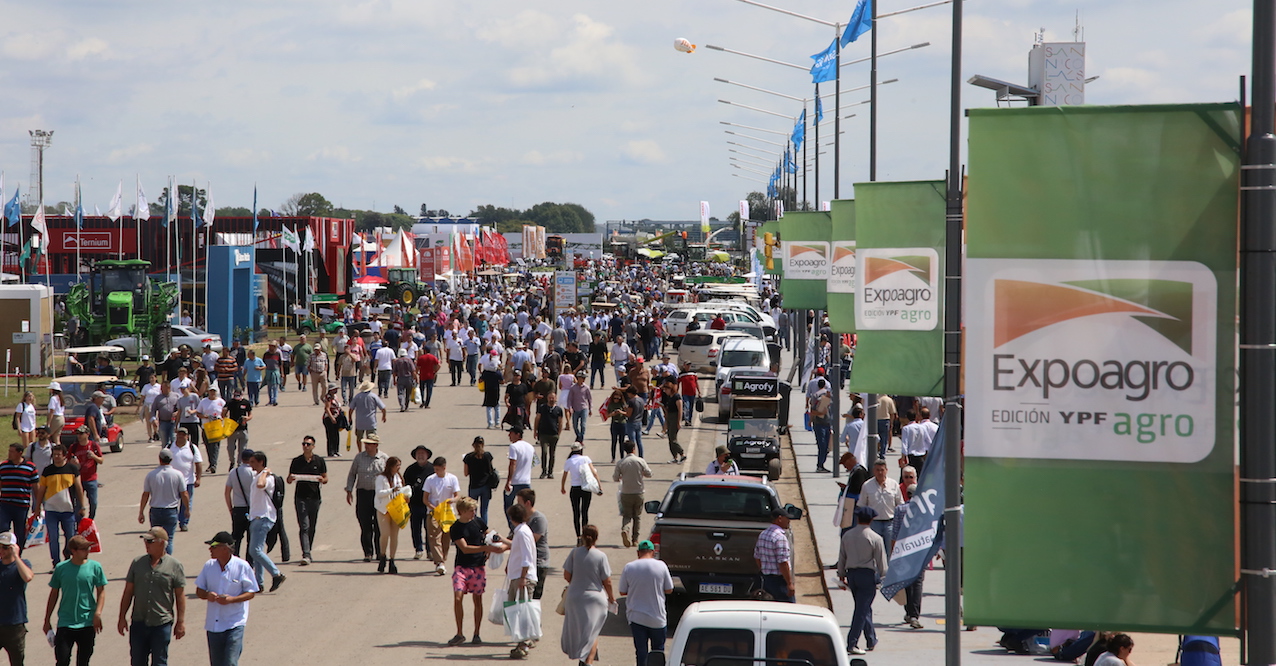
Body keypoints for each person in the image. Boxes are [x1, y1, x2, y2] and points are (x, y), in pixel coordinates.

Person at [117, 527, 186, 666]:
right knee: (137, 661)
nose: (146, 544)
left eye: (150, 541)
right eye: (145, 541)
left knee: (159, 662)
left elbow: (179, 596)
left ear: (162, 543)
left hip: (161, 623)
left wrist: (180, 622)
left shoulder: (174, 565)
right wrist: (121, 617)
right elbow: (128, 592)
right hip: (139, 623)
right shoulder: (137, 563)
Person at [446, 496, 504, 647]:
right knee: (458, 598)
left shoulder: (478, 522)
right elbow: (464, 548)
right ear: (462, 511)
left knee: (477, 600)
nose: (474, 513)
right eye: (471, 510)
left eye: (474, 510)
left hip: (478, 567)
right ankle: (459, 633)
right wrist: (486, 548)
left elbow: (489, 533)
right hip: (461, 567)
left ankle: (476, 633)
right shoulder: (456, 528)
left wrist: (492, 541)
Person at [194, 531, 259, 666]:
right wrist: (207, 595)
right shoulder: (209, 566)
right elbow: (199, 590)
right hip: (214, 626)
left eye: (214, 546)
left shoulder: (242, 566)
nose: (210, 549)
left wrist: (231, 600)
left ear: (225, 548)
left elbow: (251, 592)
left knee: (230, 663)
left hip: (234, 623)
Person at [43, 535, 107, 666]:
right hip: (65, 622)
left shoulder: (95, 567)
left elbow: (101, 592)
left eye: (88, 547)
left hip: (87, 622)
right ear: (73, 550)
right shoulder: (61, 568)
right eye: (83, 549)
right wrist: (47, 620)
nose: (87, 551)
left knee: (83, 661)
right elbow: (54, 594)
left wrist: (97, 613)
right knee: (62, 660)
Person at [561, 524, 615, 666]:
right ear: (596, 538)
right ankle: (588, 662)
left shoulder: (574, 553)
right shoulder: (601, 556)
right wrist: (611, 597)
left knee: (580, 631)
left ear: (582, 537)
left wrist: (578, 582)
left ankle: (583, 658)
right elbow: (607, 581)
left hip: (575, 597)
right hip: (595, 599)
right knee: (592, 632)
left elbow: (567, 575)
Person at [838, 507, 887, 655]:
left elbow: (842, 556)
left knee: (864, 607)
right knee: (861, 610)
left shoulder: (847, 535)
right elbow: (881, 563)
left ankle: (871, 639)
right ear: (871, 520)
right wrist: (884, 579)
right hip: (867, 576)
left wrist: (841, 575)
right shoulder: (875, 538)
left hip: (852, 575)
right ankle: (852, 643)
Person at [618, 540, 673, 666]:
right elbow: (669, 589)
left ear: (638, 553)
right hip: (657, 617)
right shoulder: (661, 566)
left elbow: (622, 591)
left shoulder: (629, 567)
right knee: (658, 651)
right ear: (653, 552)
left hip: (637, 617)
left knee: (641, 652)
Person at [33, 444, 89, 567]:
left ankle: (69, 559)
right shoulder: (48, 470)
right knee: (53, 537)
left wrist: (82, 506)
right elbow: (41, 490)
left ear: (64, 456)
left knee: (70, 537)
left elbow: (79, 488)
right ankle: (56, 563)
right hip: (51, 510)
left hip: (68, 510)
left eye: (59, 454)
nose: (56, 457)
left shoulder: (72, 469)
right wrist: (37, 508)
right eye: (54, 454)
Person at [245, 452, 285, 592]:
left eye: (253, 462)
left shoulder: (268, 478)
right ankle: (258, 582)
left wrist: (265, 472)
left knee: (254, 550)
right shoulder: (257, 476)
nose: (250, 465)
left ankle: (276, 574)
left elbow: (262, 485)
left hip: (263, 517)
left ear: (261, 462)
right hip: (256, 517)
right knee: (258, 551)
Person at [139, 449, 189, 556]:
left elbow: (146, 494)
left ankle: (156, 560)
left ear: (159, 459)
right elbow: (184, 493)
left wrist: (141, 511)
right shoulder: (177, 474)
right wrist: (187, 509)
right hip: (170, 511)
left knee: (155, 538)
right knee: (168, 539)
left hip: (155, 510)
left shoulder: (151, 475)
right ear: (171, 459)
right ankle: (167, 561)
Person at [505, 503, 539, 659]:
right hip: (517, 575)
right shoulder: (521, 531)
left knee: (521, 611)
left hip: (522, 577)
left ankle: (523, 643)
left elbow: (526, 557)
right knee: (516, 610)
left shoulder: (522, 532)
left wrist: (523, 577)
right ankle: (522, 641)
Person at [346, 434, 388, 562]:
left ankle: (380, 552)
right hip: (363, 494)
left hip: (379, 495)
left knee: (379, 525)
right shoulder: (359, 457)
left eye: (370, 444)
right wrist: (349, 490)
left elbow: (391, 476)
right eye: (366, 443)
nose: (367, 446)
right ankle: (368, 553)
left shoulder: (384, 458)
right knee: (365, 524)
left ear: (376, 445)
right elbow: (352, 474)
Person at [287, 436, 328, 566]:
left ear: (313, 446)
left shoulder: (319, 461)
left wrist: (322, 480)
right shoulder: (296, 461)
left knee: (312, 526)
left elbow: (325, 478)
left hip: (315, 497)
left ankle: (308, 548)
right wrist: (291, 478)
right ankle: (306, 554)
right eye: (304, 444)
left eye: (308, 444)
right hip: (301, 497)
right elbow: (289, 479)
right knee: (304, 526)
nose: (305, 446)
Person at [423, 457, 460, 575]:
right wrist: (434, 508)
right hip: (433, 513)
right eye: (435, 469)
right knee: (434, 537)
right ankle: (439, 562)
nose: (436, 472)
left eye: (438, 469)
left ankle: (443, 559)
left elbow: (457, 495)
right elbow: (425, 498)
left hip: (448, 513)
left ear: (444, 468)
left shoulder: (452, 479)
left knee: (446, 538)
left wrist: (452, 500)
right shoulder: (430, 479)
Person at [373, 456, 410, 574]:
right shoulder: (381, 478)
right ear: (391, 466)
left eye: (399, 465)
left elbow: (402, 490)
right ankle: (382, 555)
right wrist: (392, 490)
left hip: (396, 509)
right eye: (397, 465)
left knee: (394, 535)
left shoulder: (398, 477)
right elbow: (379, 493)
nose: (398, 468)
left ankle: (392, 559)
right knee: (385, 534)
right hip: (383, 509)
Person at [612, 440, 652, 548]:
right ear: (634, 449)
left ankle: (625, 529)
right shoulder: (640, 461)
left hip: (626, 492)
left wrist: (621, 476)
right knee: (637, 517)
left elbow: (615, 477)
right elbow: (649, 474)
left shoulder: (621, 462)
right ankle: (635, 539)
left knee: (627, 515)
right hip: (638, 491)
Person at [0, 530, 32, 664]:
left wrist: (16, 557)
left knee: (17, 662)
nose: (2, 550)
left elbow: (28, 577)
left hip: (14, 624)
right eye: (0, 547)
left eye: (5, 547)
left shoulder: (22, 564)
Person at [857, 460, 904, 546]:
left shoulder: (894, 484)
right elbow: (862, 505)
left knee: (890, 550)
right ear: (874, 471)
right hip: (874, 523)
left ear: (886, 470)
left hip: (890, 523)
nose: (880, 472)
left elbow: (900, 504)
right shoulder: (867, 485)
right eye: (877, 470)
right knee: (874, 549)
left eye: (882, 470)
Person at [561, 443, 602, 543]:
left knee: (576, 513)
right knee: (585, 512)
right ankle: (585, 534)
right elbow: (594, 472)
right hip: (586, 488)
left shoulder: (569, 461)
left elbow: (565, 476)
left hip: (574, 489)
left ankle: (578, 536)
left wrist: (562, 487)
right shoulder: (585, 459)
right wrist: (599, 487)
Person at [0, 443, 39, 548]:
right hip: (5, 505)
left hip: (21, 506)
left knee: (20, 532)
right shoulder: (3, 467)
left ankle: (18, 555)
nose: (9, 453)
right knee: (2, 529)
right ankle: (4, 554)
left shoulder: (30, 467)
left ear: (20, 453)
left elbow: (36, 488)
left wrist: (38, 505)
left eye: (12, 451)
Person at [515, 489, 550, 600]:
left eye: (519, 502)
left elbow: (530, 542)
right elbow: (513, 537)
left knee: (533, 599)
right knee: (521, 599)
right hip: (523, 563)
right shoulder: (522, 519)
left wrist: (505, 545)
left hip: (538, 563)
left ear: (527, 503)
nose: (517, 505)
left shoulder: (539, 519)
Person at [754, 508, 795, 603]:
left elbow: (757, 557)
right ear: (779, 519)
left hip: (766, 580)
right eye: (787, 518)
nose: (789, 521)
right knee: (788, 609)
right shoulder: (780, 537)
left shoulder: (763, 534)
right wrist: (789, 583)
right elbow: (783, 562)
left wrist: (765, 569)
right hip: (779, 582)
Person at [167, 430, 203, 533]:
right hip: (172, 481)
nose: (181, 436)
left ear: (187, 436)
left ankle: (184, 523)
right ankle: (172, 521)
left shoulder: (192, 448)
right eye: (179, 434)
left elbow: (198, 463)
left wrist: (198, 478)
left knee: (186, 503)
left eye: (183, 434)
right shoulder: (169, 447)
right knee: (172, 503)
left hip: (188, 481)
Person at [403, 446, 435, 561]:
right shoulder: (410, 470)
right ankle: (418, 549)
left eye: (423, 453)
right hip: (415, 504)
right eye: (418, 454)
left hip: (429, 504)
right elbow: (404, 485)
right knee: (415, 528)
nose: (420, 455)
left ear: (427, 455)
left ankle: (430, 551)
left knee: (429, 528)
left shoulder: (432, 469)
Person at [503, 427, 535, 529]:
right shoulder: (530, 447)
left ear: (517, 434)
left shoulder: (514, 446)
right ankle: (526, 526)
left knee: (508, 506)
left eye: (511, 433)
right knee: (526, 507)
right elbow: (534, 462)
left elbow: (513, 464)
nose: (509, 436)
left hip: (515, 481)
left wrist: (509, 481)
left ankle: (513, 528)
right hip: (526, 481)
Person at [462, 438, 494, 524]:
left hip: (474, 486)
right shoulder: (487, 456)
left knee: (472, 511)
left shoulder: (468, 457)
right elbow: (490, 470)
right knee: (484, 511)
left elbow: (466, 473)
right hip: (486, 486)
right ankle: (484, 530)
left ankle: (475, 528)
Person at [346, 382, 386, 453]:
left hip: (360, 422)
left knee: (359, 438)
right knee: (371, 438)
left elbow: (351, 409)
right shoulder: (373, 396)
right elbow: (383, 408)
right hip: (371, 421)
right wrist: (384, 416)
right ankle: (370, 451)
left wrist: (350, 418)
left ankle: (360, 451)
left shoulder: (357, 396)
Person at [899, 407, 938, 475]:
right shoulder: (922, 427)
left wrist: (903, 457)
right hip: (921, 455)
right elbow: (929, 441)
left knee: (908, 475)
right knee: (920, 475)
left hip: (911, 456)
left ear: (907, 417)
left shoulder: (906, 429)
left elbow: (904, 444)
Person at [535, 390, 564, 479]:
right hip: (543, 434)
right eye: (550, 397)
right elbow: (537, 419)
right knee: (544, 452)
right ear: (547, 398)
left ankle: (550, 472)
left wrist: (558, 433)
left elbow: (560, 422)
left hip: (553, 434)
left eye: (553, 398)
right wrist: (535, 431)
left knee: (552, 454)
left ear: (556, 399)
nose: (551, 399)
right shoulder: (542, 407)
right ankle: (544, 471)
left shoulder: (558, 410)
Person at [808, 379, 833, 473]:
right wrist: (821, 413)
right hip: (819, 424)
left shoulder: (828, 396)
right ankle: (820, 465)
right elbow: (813, 411)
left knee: (826, 447)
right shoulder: (816, 396)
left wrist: (810, 421)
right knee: (822, 446)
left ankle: (821, 464)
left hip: (826, 424)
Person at [660, 378, 685, 464]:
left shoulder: (676, 397)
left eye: (666, 389)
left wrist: (679, 421)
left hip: (675, 418)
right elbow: (668, 409)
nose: (665, 391)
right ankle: (674, 457)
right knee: (670, 439)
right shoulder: (669, 397)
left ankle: (682, 454)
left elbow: (680, 409)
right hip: (670, 417)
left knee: (673, 439)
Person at [562, 371, 591, 443]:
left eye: (584, 378)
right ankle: (578, 435)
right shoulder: (573, 388)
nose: (583, 380)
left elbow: (589, 399)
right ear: (578, 378)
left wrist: (590, 409)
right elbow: (569, 399)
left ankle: (581, 438)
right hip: (575, 409)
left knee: (583, 425)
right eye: (582, 378)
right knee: (575, 425)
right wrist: (570, 407)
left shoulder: (586, 388)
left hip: (584, 408)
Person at [416, 345, 440, 409]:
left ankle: (422, 401)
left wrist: (417, 373)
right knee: (429, 390)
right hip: (430, 375)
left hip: (422, 375)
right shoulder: (433, 357)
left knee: (422, 389)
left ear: (425, 350)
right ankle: (427, 403)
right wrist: (435, 371)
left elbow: (418, 367)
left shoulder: (421, 358)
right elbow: (438, 365)